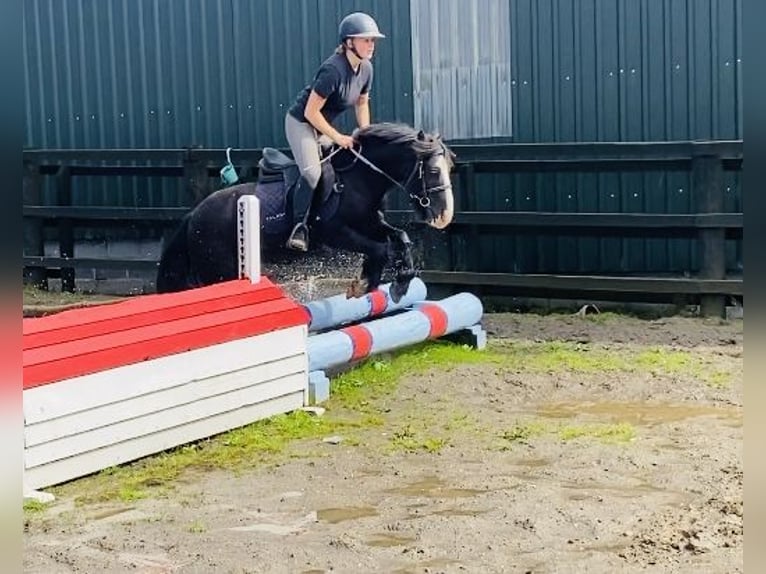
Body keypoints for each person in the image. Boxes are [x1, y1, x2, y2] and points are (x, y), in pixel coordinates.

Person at [284, 12, 385, 251]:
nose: (371, 45)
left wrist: (366, 133)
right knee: (312, 174)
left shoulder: (366, 69)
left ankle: (330, 222)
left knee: (341, 167)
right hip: (301, 123)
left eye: (373, 40)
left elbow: (361, 103)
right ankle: (300, 228)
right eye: (366, 40)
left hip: (322, 125)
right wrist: (338, 136)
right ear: (349, 42)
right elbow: (310, 113)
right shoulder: (332, 70)